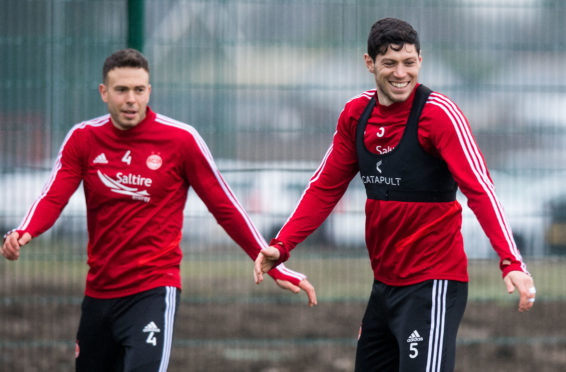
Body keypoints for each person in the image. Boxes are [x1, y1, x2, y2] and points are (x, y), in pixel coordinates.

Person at [1, 48, 317, 372]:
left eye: (139, 90)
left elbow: (225, 207)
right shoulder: (83, 139)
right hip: (98, 293)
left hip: (153, 290)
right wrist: (25, 230)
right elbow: (53, 195)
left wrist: (273, 263)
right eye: (121, 90)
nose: (130, 99)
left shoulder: (181, 140)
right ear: (104, 92)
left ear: (149, 91)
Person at [254, 18, 535, 372]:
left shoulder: (439, 115)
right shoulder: (356, 115)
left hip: (432, 285)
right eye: (389, 63)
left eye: (408, 62)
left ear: (420, 60)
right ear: (370, 64)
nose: (400, 73)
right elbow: (325, 187)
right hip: (384, 287)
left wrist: (511, 261)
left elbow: (480, 190)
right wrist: (282, 245)